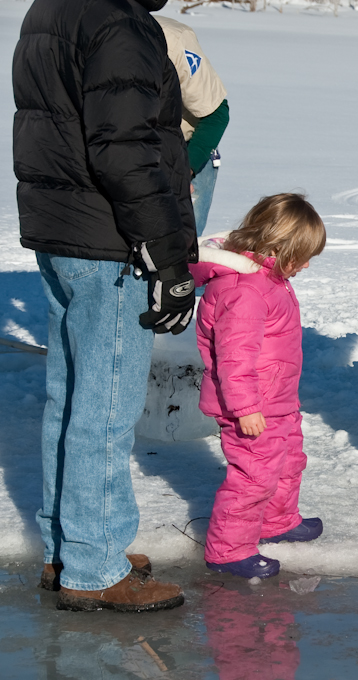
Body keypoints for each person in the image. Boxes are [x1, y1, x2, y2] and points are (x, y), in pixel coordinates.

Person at [13, 0, 196, 612]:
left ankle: (72, 543)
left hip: (63, 229)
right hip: (108, 239)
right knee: (105, 407)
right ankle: (92, 567)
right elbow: (123, 146)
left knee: (72, 400)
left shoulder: (53, 8)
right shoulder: (119, 24)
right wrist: (167, 256)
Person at [191, 193, 326, 579]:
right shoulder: (244, 290)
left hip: (277, 400)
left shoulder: (268, 279)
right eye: (302, 257)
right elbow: (234, 358)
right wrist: (246, 409)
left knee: (288, 464)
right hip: (251, 407)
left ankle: (277, 521)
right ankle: (228, 550)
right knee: (253, 477)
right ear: (278, 249)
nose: (304, 266)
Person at [155, 15, 230, 236]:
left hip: (187, 152)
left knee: (183, 247)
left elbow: (216, 115)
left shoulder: (174, 39)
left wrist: (184, 170)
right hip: (130, 158)